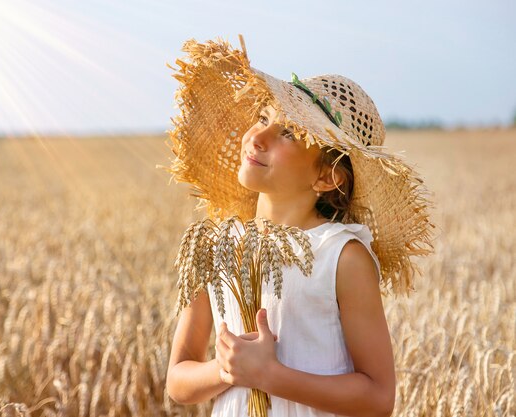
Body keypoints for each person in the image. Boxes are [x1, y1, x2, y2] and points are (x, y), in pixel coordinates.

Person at [161, 36, 435, 417]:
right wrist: (226, 369)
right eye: (262, 118)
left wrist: (271, 376)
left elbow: (377, 398)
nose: (257, 137)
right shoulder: (215, 245)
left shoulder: (340, 256)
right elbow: (178, 381)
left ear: (327, 177)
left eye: (288, 133)